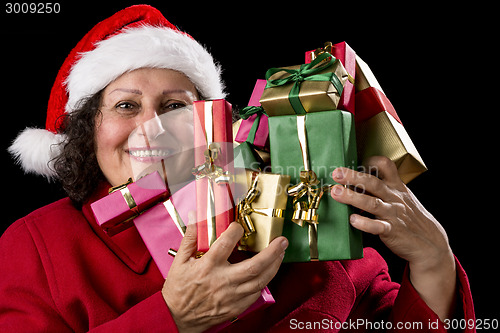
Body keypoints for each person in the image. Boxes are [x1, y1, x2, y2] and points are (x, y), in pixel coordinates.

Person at [1, 5, 474, 332]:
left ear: (213, 126)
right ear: (86, 132)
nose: (152, 128)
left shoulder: (307, 217)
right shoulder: (37, 246)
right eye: (126, 106)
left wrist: (433, 261)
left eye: (174, 107)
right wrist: (172, 318)